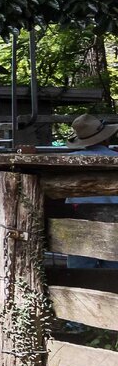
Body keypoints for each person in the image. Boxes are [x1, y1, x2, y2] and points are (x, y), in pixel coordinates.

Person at [55, 113, 118, 271]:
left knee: (79, 268)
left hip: (79, 222)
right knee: (114, 268)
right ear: (106, 138)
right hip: (114, 223)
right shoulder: (115, 158)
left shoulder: (69, 162)